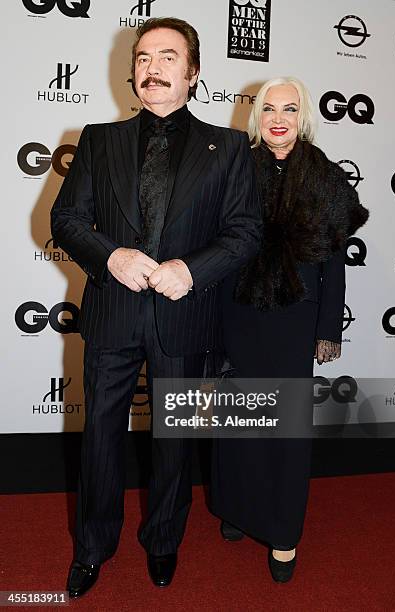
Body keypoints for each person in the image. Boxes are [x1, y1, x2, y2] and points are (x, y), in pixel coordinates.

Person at [51, 17, 261, 598]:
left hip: (186, 317)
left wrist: (190, 271)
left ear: (194, 74)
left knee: (173, 442)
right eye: (143, 57)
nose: (153, 68)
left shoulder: (230, 148)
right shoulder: (98, 138)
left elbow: (244, 233)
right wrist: (111, 255)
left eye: (168, 57)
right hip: (113, 313)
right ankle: (93, 547)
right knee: (99, 438)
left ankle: (164, 540)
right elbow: (65, 220)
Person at [210, 77, 369, 583]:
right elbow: (218, 246)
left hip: (295, 318)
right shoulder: (235, 169)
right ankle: (236, 508)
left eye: (291, 109)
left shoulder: (324, 177)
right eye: (270, 108)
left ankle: (283, 535)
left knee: (286, 431)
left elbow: (335, 264)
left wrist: (328, 328)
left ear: (304, 118)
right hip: (238, 311)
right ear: (257, 117)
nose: (279, 118)